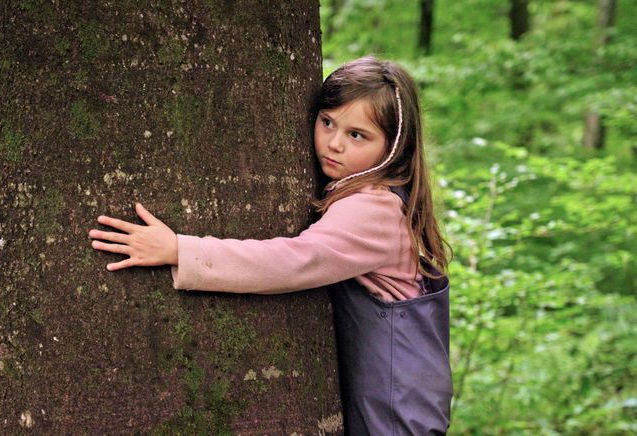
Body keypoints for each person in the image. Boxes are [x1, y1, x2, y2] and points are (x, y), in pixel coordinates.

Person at [88, 55, 453, 435]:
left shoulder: (374, 208)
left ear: (394, 147)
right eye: (327, 122)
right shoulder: (380, 196)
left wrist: (181, 250)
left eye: (357, 135)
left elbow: (294, 261)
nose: (334, 144)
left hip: (396, 415)